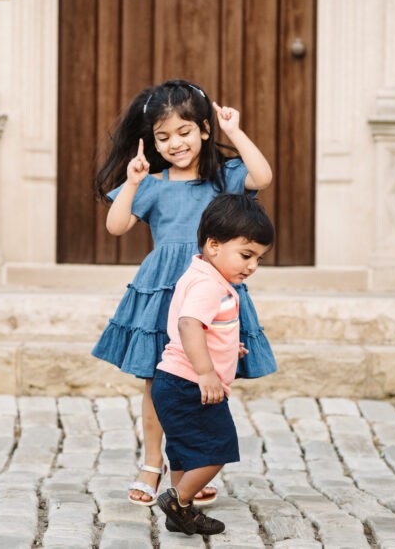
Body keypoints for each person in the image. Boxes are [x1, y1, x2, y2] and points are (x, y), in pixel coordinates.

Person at [89, 79, 277, 506]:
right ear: (152, 142)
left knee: (203, 381)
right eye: (163, 136)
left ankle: (187, 466)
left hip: (210, 295)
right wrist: (133, 182)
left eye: (184, 131)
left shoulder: (225, 177)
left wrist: (236, 132)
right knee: (158, 381)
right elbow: (116, 226)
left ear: (205, 130)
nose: (175, 143)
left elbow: (262, 175)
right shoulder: (152, 183)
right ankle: (151, 464)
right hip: (163, 295)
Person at [153, 193, 274, 536]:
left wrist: (224, 348)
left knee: (183, 453)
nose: (251, 266)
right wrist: (207, 372)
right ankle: (177, 500)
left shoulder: (200, 273)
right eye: (246, 255)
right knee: (216, 448)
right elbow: (189, 324)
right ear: (214, 244)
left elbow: (204, 327)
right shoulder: (209, 284)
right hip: (190, 384)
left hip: (172, 382)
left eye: (258, 259)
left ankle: (183, 513)